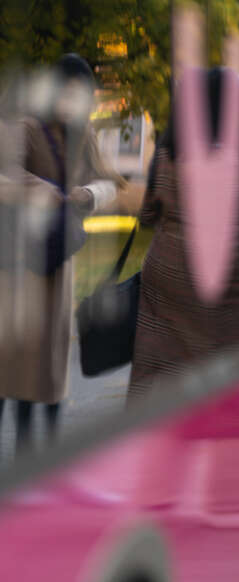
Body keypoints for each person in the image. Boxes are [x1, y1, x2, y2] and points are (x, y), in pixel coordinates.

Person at [0, 54, 123, 452]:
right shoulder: (27, 128)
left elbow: (112, 184)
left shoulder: (83, 136)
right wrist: (45, 192)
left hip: (59, 266)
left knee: (51, 371)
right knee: (15, 370)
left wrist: (89, 194)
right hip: (20, 267)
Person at [128, 67, 239, 398]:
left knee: (155, 377)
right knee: (201, 387)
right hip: (200, 286)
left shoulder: (168, 150)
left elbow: (146, 214)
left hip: (161, 276)